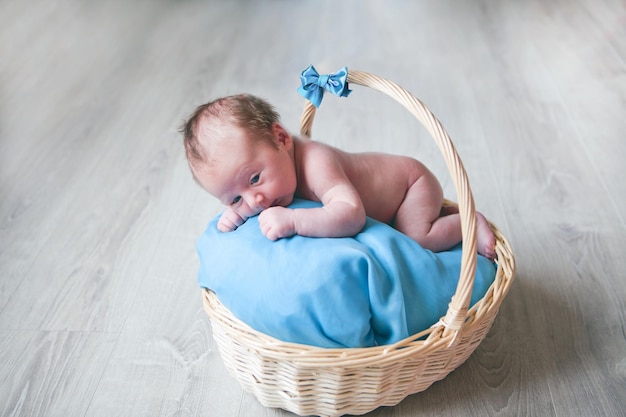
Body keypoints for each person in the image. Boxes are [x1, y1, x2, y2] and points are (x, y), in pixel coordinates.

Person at [181, 94, 496, 259]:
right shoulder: (269, 183)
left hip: (410, 186)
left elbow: (352, 215)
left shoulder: (316, 162)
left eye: (254, 180)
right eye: (235, 198)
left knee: (415, 238)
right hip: (398, 192)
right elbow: (244, 198)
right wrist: (234, 215)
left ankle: (469, 223)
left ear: (281, 139)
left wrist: (294, 222)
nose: (256, 201)